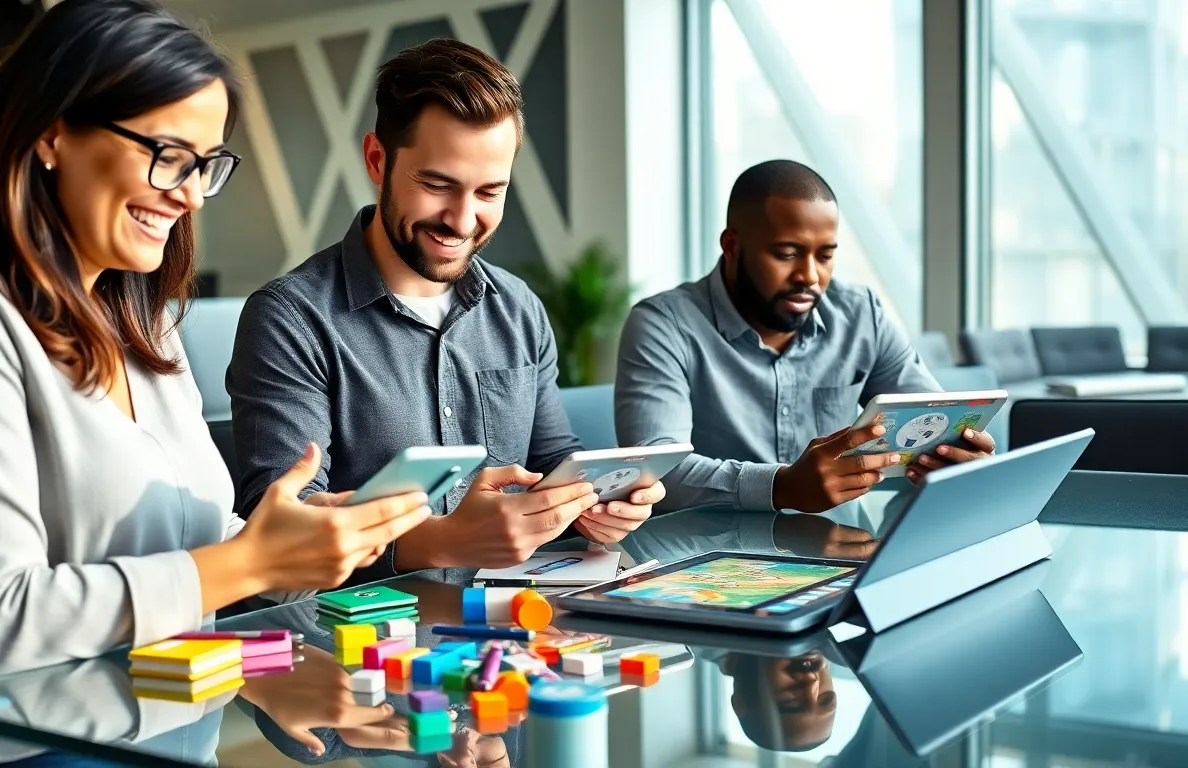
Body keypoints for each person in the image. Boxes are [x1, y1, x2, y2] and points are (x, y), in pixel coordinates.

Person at [0, 2, 431, 765]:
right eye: (166, 153)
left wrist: (293, 582)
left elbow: (188, 552)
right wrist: (256, 560)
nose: (188, 193)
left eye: (205, 164)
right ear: (51, 131)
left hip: (167, 734)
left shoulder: (140, 315)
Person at [228, 39, 664, 580]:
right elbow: (279, 526)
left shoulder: (520, 308)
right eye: (437, 185)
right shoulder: (290, 319)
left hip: (512, 631)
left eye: (489, 191)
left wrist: (599, 506)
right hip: (362, 644)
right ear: (376, 160)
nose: (461, 220)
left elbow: (556, 462)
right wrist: (443, 540)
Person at [616, 159, 995, 514]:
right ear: (732, 246)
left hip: (844, 551)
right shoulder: (663, 324)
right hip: (707, 562)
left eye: (825, 256)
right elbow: (654, 471)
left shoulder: (862, 314)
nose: (810, 276)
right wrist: (780, 486)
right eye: (786, 254)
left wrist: (959, 455)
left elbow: (938, 418)